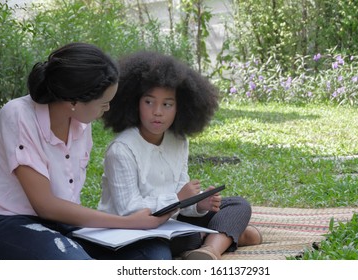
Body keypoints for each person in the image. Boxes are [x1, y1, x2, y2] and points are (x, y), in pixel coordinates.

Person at [0, 43, 173, 260]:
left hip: (67, 223)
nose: (107, 109)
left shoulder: (81, 122)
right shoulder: (18, 114)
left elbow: (66, 206)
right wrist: (128, 223)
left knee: (152, 252)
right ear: (74, 101)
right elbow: (45, 205)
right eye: (103, 103)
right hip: (15, 223)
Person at [98, 51, 262, 260]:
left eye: (167, 104)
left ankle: (209, 250)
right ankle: (227, 235)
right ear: (134, 102)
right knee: (182, 239)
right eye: (149, 102)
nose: (157, 112)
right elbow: (128, 210)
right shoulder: (121, 149)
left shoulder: (178, 141)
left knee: (238, 205)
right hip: (133, 229)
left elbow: (181, 194)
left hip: (171, 220)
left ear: (180, 107)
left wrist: (199, 204)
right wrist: (176, 200)